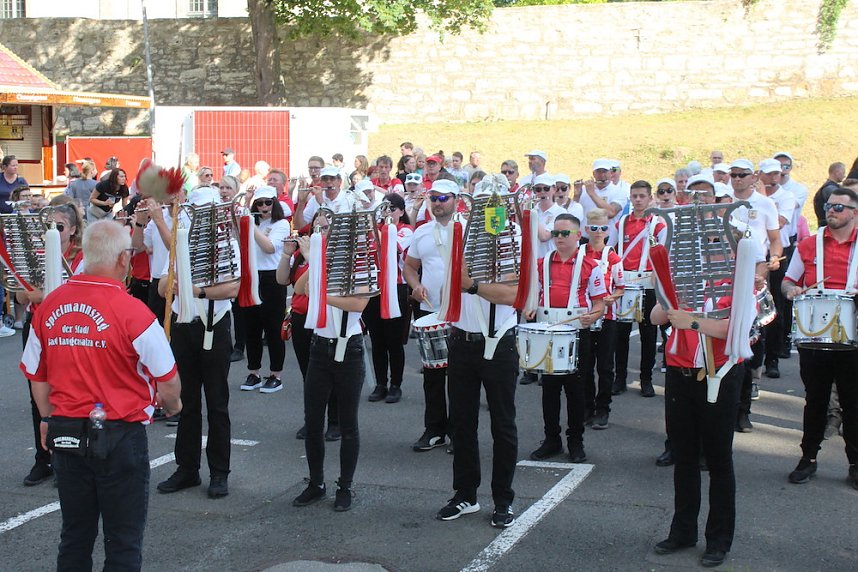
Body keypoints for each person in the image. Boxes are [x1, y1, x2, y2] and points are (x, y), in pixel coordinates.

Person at [20, 219, 182, 571]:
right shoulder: (133, 311)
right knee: (123, 541)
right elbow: (168, 381)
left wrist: (48, 416)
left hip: (65, 432)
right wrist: (172, 406)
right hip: (119, 435)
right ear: (124, 259)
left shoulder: (49, 306)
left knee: (75, 536)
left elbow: (37, 373)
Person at [435, 186, 520, 529]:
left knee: (503, 424)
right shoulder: (461, 236)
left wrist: (471, 284)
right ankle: (465, 494)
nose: (488, 213)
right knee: (462, 423)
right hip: (463, 342)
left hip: (498, 343)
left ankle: (503, 500)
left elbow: (513, 294)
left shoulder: (511, 239)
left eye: (493, 207)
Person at [155, 187, 238, 498]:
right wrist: (179, 284)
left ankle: (220, 472)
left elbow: (232, 288)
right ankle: (187, 469)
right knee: (186, 401)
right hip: (184, 326)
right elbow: (164, 286)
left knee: (217, 404)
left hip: (214, 325)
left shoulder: (228, 244)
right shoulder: (180, 243)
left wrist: (195, 291)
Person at [650, 294, 742, 568]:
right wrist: (666, 297)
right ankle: (683, 531)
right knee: (684, 456)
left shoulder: (736, 277)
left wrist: (691, 322)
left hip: (721, 373)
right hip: (680, 373)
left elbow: (735, 328)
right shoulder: (682, 278)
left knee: (718, 460)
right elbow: (656, 317)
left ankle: (719, 539)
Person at [782, 186, 858, 490]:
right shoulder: (808, 245)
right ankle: (807, 459)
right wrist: (793, 292)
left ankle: (855, 463)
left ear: (854, 212)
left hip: (854, 338)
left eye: (839, 207)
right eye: (829, 206)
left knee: (853, 403)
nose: (832, 211)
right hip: (814, 335)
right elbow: (788, 283)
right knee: (814, 400)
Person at [290, 232, 370, 512]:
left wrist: (322, 292)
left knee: (348, 423)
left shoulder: (362, 267)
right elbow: (299, 289)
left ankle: (345, 486)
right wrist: (315, 263)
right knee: (313, 421)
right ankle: (316, 482)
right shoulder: (322, 266)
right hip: (320, 348)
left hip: (350, 348)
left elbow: (358, 304)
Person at [528, 214, 607, 463]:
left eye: (565, 233)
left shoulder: (591, 266)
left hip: (576, 332)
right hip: (548, 330)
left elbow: (600, 304)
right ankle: (551, 439)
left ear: (577, 235)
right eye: (556, 233)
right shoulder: (541, 264)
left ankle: (576, 441)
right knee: (549, 390)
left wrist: (591, 317)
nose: (559, 238)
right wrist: (529, 308)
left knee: (576, 390)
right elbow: (532, 296)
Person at [17, 203, 85, 487]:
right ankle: (42, 459)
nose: (54, 232)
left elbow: (75, 291)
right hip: (37, 328)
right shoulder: (37, 256)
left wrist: (40, 294)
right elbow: (21, 296)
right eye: (49, 227)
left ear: (72, 230)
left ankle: (68, 459)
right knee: (38, 395)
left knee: (68, 393)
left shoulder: (81, 257)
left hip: (67, 331)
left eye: (59, 227)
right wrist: (40, 294)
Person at [403, 179, 460, 451]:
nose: (438, 203)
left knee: (461, 377)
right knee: (433, 376)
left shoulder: (468, 229)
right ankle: (435, 430)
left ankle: (459, 432)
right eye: (434, 199)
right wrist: (415, 286)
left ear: (456, 200)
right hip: (431, 311)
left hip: (463, 314)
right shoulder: (422, 232)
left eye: (443, 198)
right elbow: (410, 267)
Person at [727, 159, 782, 432]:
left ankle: (743, 410)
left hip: (755, 271)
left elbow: (774, 239)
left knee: (749, 339)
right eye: (733, 175)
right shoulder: (722, 201)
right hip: (725, 273)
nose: (737, 179)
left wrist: (772, 260)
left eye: (742, 175)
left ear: (753, 177)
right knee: (724, 340)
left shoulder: (765, 204)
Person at [276, 214, 340, 441]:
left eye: (324, 228)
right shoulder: (299, 256)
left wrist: (313, 258)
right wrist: (286, 254)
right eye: (316, 227)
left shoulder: (334, 254)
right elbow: (283, 280)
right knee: (309, 374)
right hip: (301, 317)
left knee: (330, 372)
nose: (319, 231)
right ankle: (312, 420)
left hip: (325, 318)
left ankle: (335, 421)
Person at [613, 180, 666, 405]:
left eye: (642, 196)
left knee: (648, 333)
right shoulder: (622, 222)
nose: (637, 200)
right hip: (626, 281)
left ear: (649, 197)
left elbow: (662, 252)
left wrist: (657, 276)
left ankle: (646, 379)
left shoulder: (658, 224)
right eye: (634, 196)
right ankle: (620, 377)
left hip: (647, 282)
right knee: (621, 333)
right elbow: (612, 250)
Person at [239, 186, 291, 393]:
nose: (263, 207)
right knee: (251, 327)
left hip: (272, 277)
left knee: (273, 328)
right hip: (252, 275)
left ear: (274, 203)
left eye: (267, 203)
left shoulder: (282, 224)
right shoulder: (253, 222)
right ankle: (254, 372)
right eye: (259, 204)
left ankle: (276, 374)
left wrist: (250, 226)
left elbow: (269, 247)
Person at [364, 193, 413, 404]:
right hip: (375, 288)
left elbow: (392, 247)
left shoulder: (406, 230)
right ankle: (381, 383)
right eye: (384, 209)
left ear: (401, 211)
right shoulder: (374, 230)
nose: (388, 213)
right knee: (377, 340)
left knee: (394, 341)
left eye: (392, 209)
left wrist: (377, 227)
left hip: (397, 288)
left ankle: (396, 384)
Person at [581, 209, 624, 425]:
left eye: (603, 228)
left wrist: (610, 298)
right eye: (594, 228)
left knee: (605, 366)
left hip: (607, 318)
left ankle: (603, 408)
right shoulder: (580, 253)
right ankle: (587, 406)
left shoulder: (613, 256)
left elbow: (620, 287)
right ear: (587, 229)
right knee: (585, 365)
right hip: (585, 316)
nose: (599, 233)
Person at [757, 158, 796, 380]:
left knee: (774, 306)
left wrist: (762, 199)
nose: (773, 178)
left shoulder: (786, 196)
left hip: (775, 253)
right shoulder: (752, 197)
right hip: (753, 254)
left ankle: (772, 358)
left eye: (776, 174)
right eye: (768, 174)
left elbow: (779, 222)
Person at [578, 158, 628, 246]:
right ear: (593, 174)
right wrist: (576, 195)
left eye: (605, 171)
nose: (602, 175)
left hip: (606, 240)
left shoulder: (619, 191)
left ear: (610, 173)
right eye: (598, 172)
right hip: (584, 239)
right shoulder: (584, 189)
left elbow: (611, 212)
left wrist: (592, 194)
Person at [813, 161, 846, 228]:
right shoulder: (830, 189)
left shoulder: (828, 187)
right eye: (843, 172)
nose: (844, 175)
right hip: (830, 227)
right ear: (837, 172)